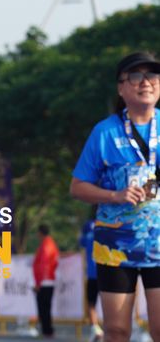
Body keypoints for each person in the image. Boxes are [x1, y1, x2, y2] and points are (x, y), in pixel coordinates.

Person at [70, 52, 160, 342]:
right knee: (117, 331)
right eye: (135, 76)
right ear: (121, 87)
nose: (145, 82)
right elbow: (77, 187)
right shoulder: (105, 132)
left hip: (158, 244)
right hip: (115, 245)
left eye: (152, 75)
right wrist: (115, 195)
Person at [33, 224, 59, 338]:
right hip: (47, 280)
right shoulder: (49, 243)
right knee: (45, 308)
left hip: (45, 281)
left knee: (44, 308)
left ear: (40, 233)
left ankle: (47, 330)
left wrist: (38, 283)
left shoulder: (46, 245)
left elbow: (43, 265)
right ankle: (47, 330)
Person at [79, 219, 103, 341]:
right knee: (108, 303)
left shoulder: (87, 237)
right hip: (106, 274)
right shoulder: (104, 233)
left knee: (91, 303)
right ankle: (107, 328)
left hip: (92, 275)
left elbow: (81, 243)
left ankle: (95, 328)